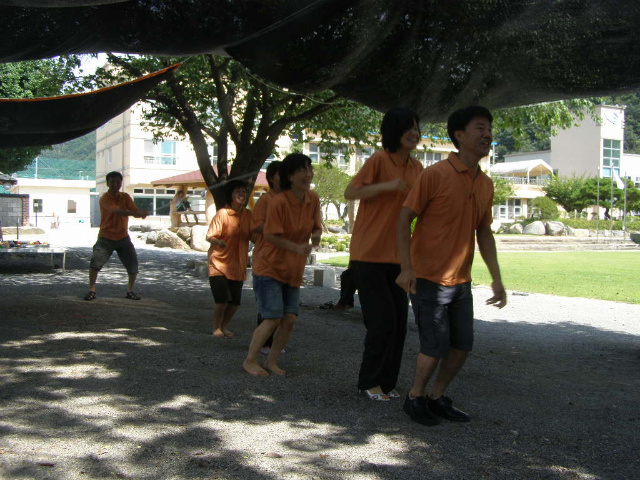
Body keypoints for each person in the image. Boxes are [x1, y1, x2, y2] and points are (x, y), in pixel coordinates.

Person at [396, 105, 507, 426]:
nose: (487, 134)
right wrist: (406, 267)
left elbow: (483, 231)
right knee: (435, 345)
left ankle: (435, 397)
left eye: (489, 128)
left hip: (461, 281)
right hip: (427, 277)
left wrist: (496, 279)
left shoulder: (485, 184)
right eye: (480, 127)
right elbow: (404, 219)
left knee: (461, 345)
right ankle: (414, 397)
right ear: (459, 135)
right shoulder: (435, 175)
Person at [344, 107, 424, 401]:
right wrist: (387, 186)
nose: (413, 133)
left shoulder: (418, 170)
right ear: (393, 131)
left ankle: (387, 383)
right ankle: (369, 382)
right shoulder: (379, 160)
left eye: (416, 127)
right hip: (368, 254)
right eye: (407, 128)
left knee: (400, 324)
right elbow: (350, 193)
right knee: (382, 321)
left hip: (400, 258)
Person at [243, 153, 322, 376]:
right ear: (289, 176)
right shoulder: (276, 201)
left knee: (290, 318)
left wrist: (316, 236)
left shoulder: (312, 199)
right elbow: (268, 233)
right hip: (270, 266)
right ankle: (250, 360)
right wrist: (296, 247)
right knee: (273, 317)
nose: (308, 174)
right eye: (302, 170)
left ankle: (272, 361)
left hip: (293, 269)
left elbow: (316, 226)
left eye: (309, 168)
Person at [84, 171, 149, 301]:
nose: (115, 184)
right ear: (108, 183)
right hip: (105, 237)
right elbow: (116, 211)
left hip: (123, 237)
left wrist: (140, 213)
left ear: (121, 183)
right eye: (112, 182)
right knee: (95, 264)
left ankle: (130, 291)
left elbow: (134, 211)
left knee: (133, 265)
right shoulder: (104, 198)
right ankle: (92, 290)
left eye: (118, 182)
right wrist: (136, 212)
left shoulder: (125, 197)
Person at [206, 180, 253, 338]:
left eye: (243, 192)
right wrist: (218, 241)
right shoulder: (223, 213)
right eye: (237, 191)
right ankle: (216, 327)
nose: (241, 194)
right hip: (219, 263)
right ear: (230, 195)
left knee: (235, 302)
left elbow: (254, 236)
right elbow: (210, 236)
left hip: (238, 265)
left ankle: (224, 326)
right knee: (222, 300)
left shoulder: (248, 215)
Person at [250, 160, 282, 353]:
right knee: (267, 307)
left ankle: (272, 343)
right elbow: (255, 228)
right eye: (281, 174)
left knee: (281, 309)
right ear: (271, 178)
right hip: (266, 261)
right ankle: (262, 345)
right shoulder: (265, 200)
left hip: (285, 263)